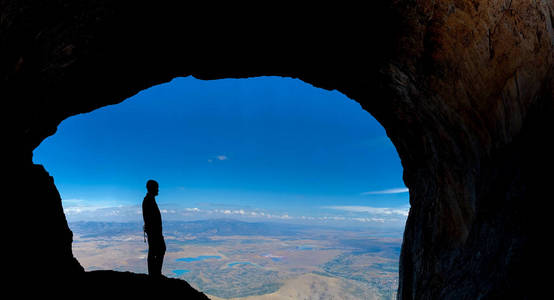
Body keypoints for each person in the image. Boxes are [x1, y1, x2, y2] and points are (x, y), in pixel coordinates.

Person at [142, 179, 166, 278]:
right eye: (156, 188)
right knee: (157, 250)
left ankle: (155, 273)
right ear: (152, 188)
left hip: (154, 231)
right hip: (154, 232)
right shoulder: (148, 200)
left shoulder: (149, 200)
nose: (158, 190)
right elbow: (150, 219)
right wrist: (154, 231)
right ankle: (155, 274)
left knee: (155, 250)